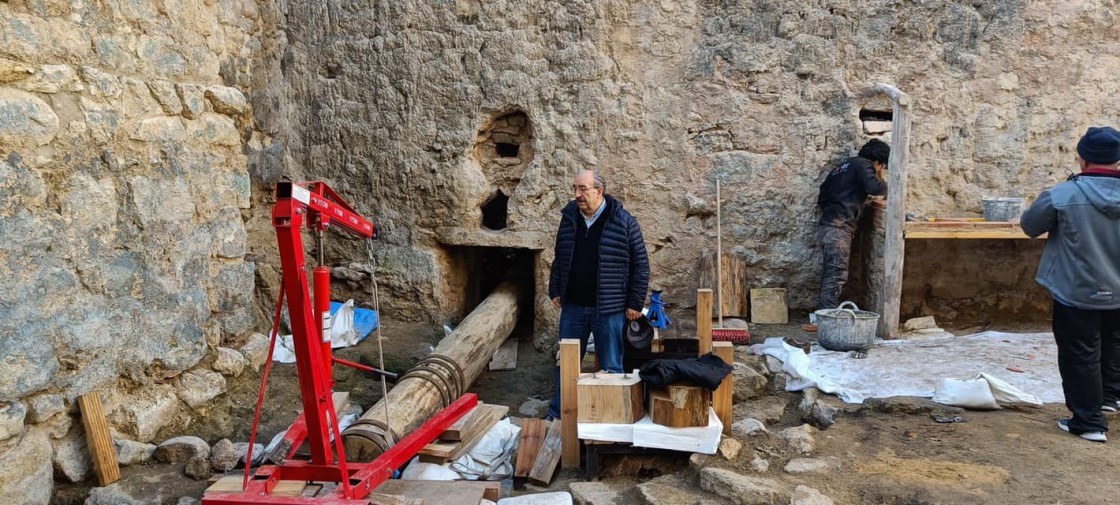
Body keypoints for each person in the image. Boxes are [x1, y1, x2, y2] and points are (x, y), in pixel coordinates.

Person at [1021, 126, 1120, 443]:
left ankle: (1089, 422)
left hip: (1077, 290)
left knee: (1080, 353)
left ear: (1082, 159)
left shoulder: (1063, 195)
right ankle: (1109, 398)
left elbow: (1030, 226)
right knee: (1113, 343)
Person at [545, 170, 650, 419]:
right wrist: (556, 288)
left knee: (612, 365)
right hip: (574, 307)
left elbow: (641, 265)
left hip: (610, 309)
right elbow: (560, 256)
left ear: (599, 191)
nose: (577, 195)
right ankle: (559, 415)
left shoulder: (623, 220)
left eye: (583, 189)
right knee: (567, 365)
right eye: (575, 189)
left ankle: (609, 414)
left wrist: (635, 302)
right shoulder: (570, 218)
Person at [814, 139, 890, 312]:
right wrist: (884, 182)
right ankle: (826, 317)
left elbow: (823, 196)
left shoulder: (843, 167)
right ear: (878, 161)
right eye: (882, 166)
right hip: (839, 228)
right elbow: (874, 187)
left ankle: (824, 314)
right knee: (836, 274)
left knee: (832, 271)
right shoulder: (864, 165)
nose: (880, 170)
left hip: (830, 224)